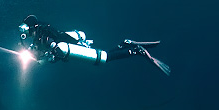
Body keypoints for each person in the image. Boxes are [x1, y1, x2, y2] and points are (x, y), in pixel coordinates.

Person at [18, 15, 170, 74]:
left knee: (104, 58)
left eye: (26, 29)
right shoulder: (39, 38)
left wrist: (49, 58)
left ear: (33, 27)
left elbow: (55, 50)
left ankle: (136, 51)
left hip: (75, 47)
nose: (25, 33)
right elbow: (40, 52)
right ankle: (125, 44)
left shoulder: (44, 36)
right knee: (105, 56)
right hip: (73, 47)